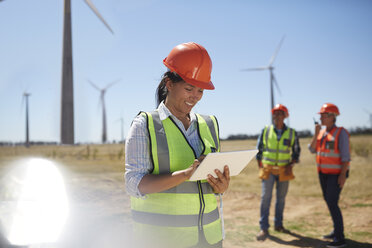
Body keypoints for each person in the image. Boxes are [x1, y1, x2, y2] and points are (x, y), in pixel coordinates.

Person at [124, 42, 230, 248]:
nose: (195, 97)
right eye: (189, 88)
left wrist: (222, 187)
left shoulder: (209, 124)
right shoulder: (145, 124)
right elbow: (133, 183)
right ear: (169, 84)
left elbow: (212, 188)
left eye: (200, 90)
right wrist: (185, 175)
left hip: (209, 239)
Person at [255, 104, 301, 241]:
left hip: (284, 171)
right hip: (268, 170)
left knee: (280, 199)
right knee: (265, 198)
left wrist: (291, 164)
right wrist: (261, 166)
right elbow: (259, 150)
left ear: (285, 116)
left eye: (280, 113)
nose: (277, 116)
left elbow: (297, 152)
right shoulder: (266, 130)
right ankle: (264, 228)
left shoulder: (292, 133)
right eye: (275, 113)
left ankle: (278, 225)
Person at [309, 103, 350, 248]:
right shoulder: (321, 133)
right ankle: (336, 231)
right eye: (320, 115)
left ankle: (340, 238)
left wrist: (343, 175)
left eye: (323, 115)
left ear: (333, 117)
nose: (320, 117)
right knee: (329, 202)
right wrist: (315, 133)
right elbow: (312, 149)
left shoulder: (341, 133)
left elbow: (346, 157)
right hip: (323, 174)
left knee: (332, 203)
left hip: (336, 175)